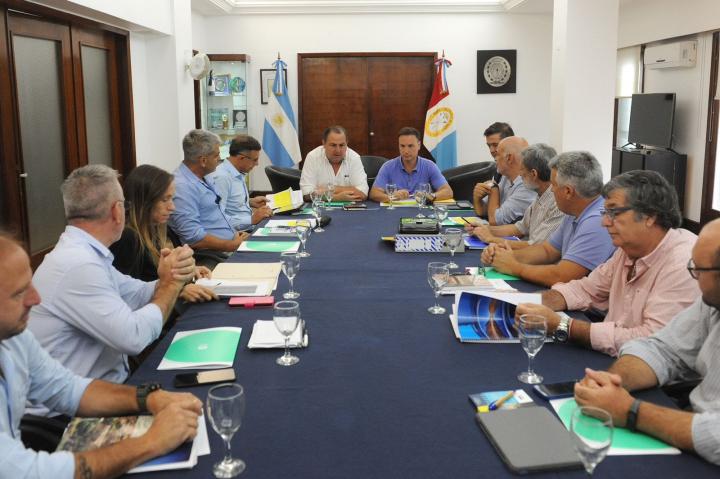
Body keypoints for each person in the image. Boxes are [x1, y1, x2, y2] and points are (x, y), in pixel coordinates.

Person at [0, 234, 202, 479]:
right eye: (19, 293)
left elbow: (67, 388)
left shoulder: (13, 337)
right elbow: (31, 473)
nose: (36, 298)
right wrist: (152, 441)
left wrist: (150, 397)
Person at [28, 165, 196, 384]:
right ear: (117, 211)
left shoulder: (86, 253)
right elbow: (134, 338)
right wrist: (172, 284)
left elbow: (134, 292)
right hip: (71, 410)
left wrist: (168, 276)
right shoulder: (78, 265)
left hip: (96, 389)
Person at [573, 219, 720, 464]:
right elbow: (662, 348)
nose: (694, 278)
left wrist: (630, 411)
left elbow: (715, 436)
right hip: (687, 428)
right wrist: (615, 381)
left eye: (698, 270)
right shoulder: (712, 301)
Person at [516, 170, 699, 356]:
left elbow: (650, 341)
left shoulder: (684, 263)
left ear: (649, 216)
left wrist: (564, 326)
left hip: (652, 375)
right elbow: (586, 289)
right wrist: (532, 302)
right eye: (605, 212)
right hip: (611, 355)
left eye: (613, 212)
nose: (604, 222)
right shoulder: (628, 249)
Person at [481, 151, 615, 287]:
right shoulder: (574, 212)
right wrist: (502, 256)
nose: (551, 191)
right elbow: (547, 251)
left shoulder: (597, 221)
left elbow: (562, 276)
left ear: (568, 191)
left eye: (554, 185)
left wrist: (514, 266)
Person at [110, 164, 217, 303]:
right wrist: (179, 291)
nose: (172, 207)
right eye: (164, 200)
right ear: (145, 201)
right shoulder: (128, 238)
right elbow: (129, 295)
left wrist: (188, 271)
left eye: (172, 199)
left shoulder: (157, 229)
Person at [168, 129, 250, 262]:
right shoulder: (182, 187)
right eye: (216, 155)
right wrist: (229, 245)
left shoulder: (204, 177)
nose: (220, 159)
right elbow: (193, 237)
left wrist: (234, 233)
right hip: (212, 256)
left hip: (229, 245)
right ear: (203, 160)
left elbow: (216, 214)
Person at [467, 143, 564, 248]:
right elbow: (519, 228)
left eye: (522, 169)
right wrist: (484, 229)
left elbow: (537, 248)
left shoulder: (557, 203)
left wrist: (491, 239)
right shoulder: (540, 195)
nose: (520, 174)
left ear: (534, 174)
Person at [369, 126, 453, 202]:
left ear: (419, 145)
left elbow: (447, 191)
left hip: (421, 211)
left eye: (410, 146)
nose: (406, 151)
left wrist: (430, 196)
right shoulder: (388, 166)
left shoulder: (429, 166)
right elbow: (374, 193)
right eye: (402, 146)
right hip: (396, 211)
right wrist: (391, 196)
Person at [211, 134, 273, 230]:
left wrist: (250, 202)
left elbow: (230, 204)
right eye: (255, 160)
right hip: (239, 234)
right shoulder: (221, 177)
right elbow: (219, 219)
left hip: (250, 227)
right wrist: (251, 219)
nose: (257, 164)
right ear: (241, 158)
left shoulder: (237, 172)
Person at [472, 136, 537, 225]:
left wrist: (493, 189)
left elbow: (495, 221)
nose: (495, 159)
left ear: (509, 158)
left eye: (497, 154)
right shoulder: (504, 176)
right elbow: (483, 211)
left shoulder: (527, 185)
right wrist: (477, 198)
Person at [299, 126, 368, 201]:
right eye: (333, 145)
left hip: (349, 211)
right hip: (320, 209)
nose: (338, 150)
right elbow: (306, 194)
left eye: (342, 145)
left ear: (347, 143)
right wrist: (336, 198)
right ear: (324, 144)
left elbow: (363, 194)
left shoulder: (354, 158)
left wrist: (333, 189)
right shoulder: (313, 157)